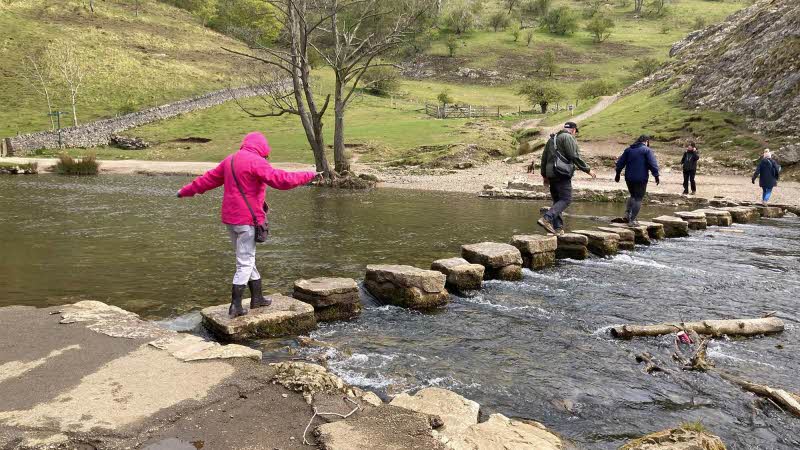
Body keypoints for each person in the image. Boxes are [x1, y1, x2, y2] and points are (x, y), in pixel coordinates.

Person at [178, 132, 318, 317]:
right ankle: (235, 306)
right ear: (262, 148)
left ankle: (257, 298)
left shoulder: (230, 160)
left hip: (231, 220)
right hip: (247, 221)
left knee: (246, 257)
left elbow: (207, 180)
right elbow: (282, 180)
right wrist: (309, 175)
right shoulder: (256, 162)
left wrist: (184, 191)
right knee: (244, 262)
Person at [536, 121, 596, 235]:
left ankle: (558, 229)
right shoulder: (567, 137)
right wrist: (587, 170)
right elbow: (574, 156)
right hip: (561, 173)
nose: (574, 134)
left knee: (557, 201)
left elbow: (544, 158)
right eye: (575, 132)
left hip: (551, 174)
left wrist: (544, 175)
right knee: (566, 199)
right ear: (573, 130)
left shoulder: (552, 139)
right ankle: (546, 218)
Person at [614, 135, 660, 226]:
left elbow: (620, 163)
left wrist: (617, 174)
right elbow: (652, 164)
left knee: (632, 196)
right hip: (641, 178)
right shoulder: (647, 150)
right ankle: (632, 220)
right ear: (646, 141)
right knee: (638, 198)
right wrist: (656, 175)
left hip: (629, 177)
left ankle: (627, 215)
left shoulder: (628, 150)